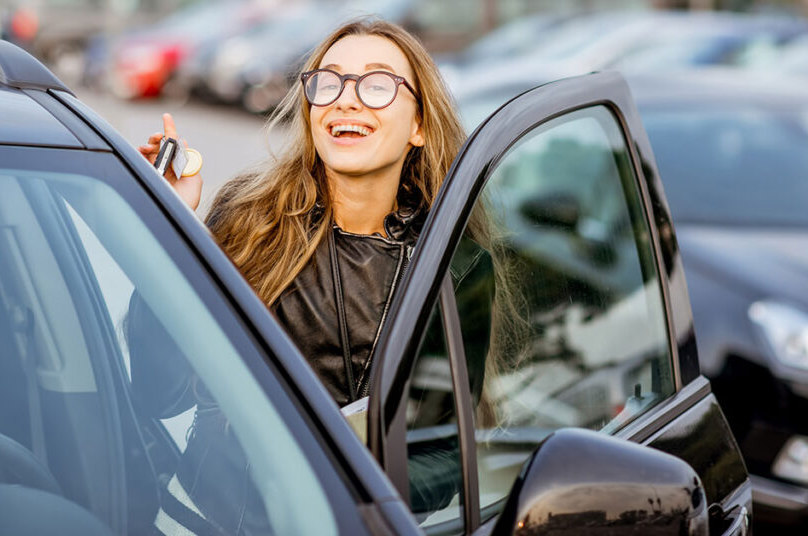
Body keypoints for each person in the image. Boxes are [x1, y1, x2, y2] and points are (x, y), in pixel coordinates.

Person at [128, 17, 526, 534]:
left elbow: (442, 459)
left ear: (419, 127)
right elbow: (159, 393)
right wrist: (170, 227)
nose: (347, 99)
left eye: (379, 84)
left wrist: (329, 498)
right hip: (201, 521)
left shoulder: (456, 266)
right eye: (329, 81)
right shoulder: (247, 220)